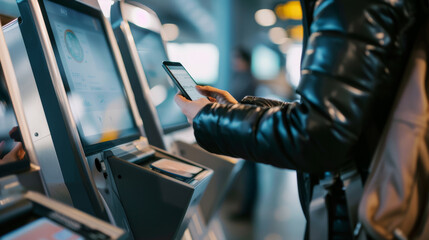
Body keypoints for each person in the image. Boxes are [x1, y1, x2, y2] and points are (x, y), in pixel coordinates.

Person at [175, 0, 420, 239]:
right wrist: (236, 110)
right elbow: (339, 112)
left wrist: (208, 118)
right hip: (367, 191)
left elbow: (317, 134)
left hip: (360, 206)